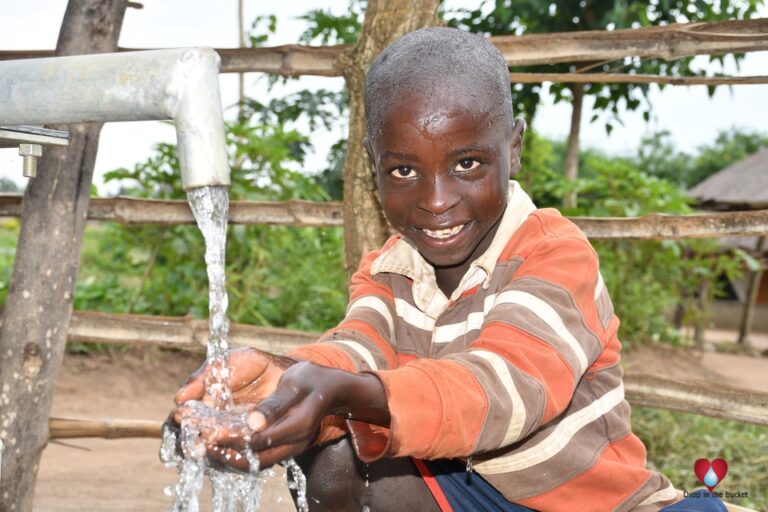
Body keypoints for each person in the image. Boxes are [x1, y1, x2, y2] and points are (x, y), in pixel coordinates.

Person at [174, 28, 726, 512]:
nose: (437, 201)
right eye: (405, 169)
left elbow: (502, 389)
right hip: (470, 490)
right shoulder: (389, 269)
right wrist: (281, 379)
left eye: (467, 164)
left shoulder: (554, 254)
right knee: (337, 456)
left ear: (513, 150)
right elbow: (356, 350)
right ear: (374, 167)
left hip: (595, 504)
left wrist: (340, 390)